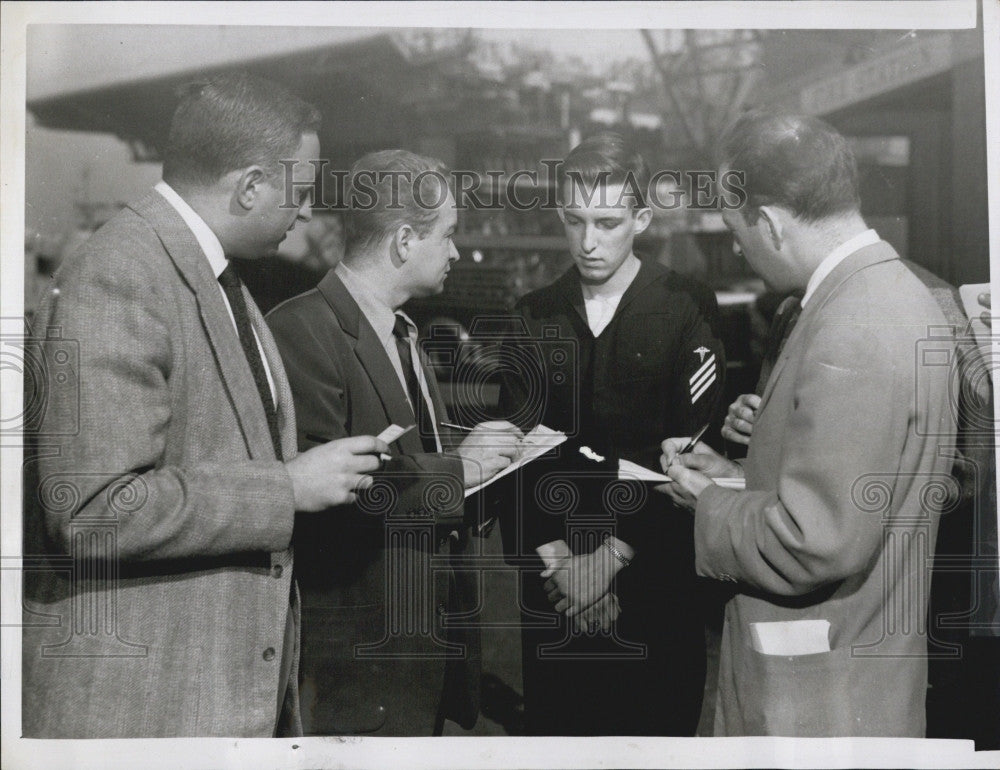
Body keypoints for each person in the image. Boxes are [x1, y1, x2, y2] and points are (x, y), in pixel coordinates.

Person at [21, 72, 388, 738]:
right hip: (143, 710)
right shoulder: (121, 273)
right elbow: (92, 509)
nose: (306, 213)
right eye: (298, 193)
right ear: (250, 185)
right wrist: (286, 488)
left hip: (200, 697)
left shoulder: (210, 272)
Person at [659, 111, 956, 737]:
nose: (737, 247)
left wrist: (706, 500)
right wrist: (743, 477)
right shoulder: (892, 295)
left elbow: (811, 542)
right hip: (856, 673)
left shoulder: (851, 326)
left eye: (736, 232)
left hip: (817, 700)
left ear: (768, 222)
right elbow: (857, 495)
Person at [266, 150, 522, 735]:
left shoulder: (400, 330)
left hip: (421, 660)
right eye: (449, 235)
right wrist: (460, 469)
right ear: (405, 240)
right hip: (359, 671)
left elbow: (397, 459)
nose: (456, 252)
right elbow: (326, 497)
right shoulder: (301, 330)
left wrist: (474, 455)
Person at [495, 132, 726, 735]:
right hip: (556, 589)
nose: (588, 241)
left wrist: (612, 558)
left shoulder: (686, 306)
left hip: (654, 580)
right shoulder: (533, 313)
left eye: (607, 221)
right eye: (574, 221)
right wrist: (562, 567)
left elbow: (690, 453)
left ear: (643, 219)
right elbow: (511, 456)